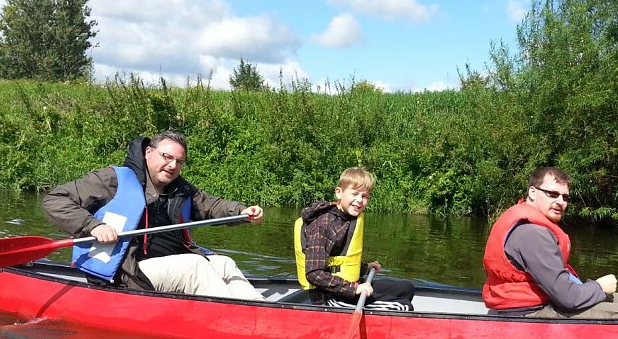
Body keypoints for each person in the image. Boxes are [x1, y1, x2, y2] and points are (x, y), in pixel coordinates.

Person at [42, 131, 265, 301]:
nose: (172, 165)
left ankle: (259, 312)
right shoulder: (112, 180)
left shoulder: (180, 190)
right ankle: (236, 321)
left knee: (224, 263)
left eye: (179, 161)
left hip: (166, 268)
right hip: (127, 272)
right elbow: (55, 200)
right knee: (195, 266)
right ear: (148, 152)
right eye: (167, 157)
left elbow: (212, 205)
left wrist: (241, 211)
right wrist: (93, 226)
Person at [482, 166, 618, 319]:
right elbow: (568, 298)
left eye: (565, 197)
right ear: (533, 192)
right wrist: (599, 287)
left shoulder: (530, 226)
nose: (560, 202)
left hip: (543, 303)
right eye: (553, 194)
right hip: (528, 313)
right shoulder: (532, 233)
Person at [294, 167, 415, 311]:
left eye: (364, 196)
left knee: (406, 288)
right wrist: (354, 288)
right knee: (403, 306)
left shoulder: (347, 218)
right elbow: (314, 274)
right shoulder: (323, 225)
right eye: (355, 193)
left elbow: (340, 260)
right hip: (328, 296)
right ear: (339, 193)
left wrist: (365, 268)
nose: (359, 200)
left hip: (348, 286)